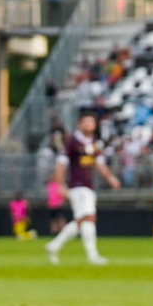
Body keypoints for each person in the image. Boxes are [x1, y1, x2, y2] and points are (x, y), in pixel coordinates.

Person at [45, 112, 121, 266]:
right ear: (79, 124)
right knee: (88, 217)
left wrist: (110, 178)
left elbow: (99, 164)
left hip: (88, 185)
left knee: (84, 220)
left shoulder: (93, 143)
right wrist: (60, 185)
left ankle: (55, 245)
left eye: (92, 122)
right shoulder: (73, 142)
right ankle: (91, 255)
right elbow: (61, 164)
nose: (89, 125)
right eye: (86, 121)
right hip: (77, 185)